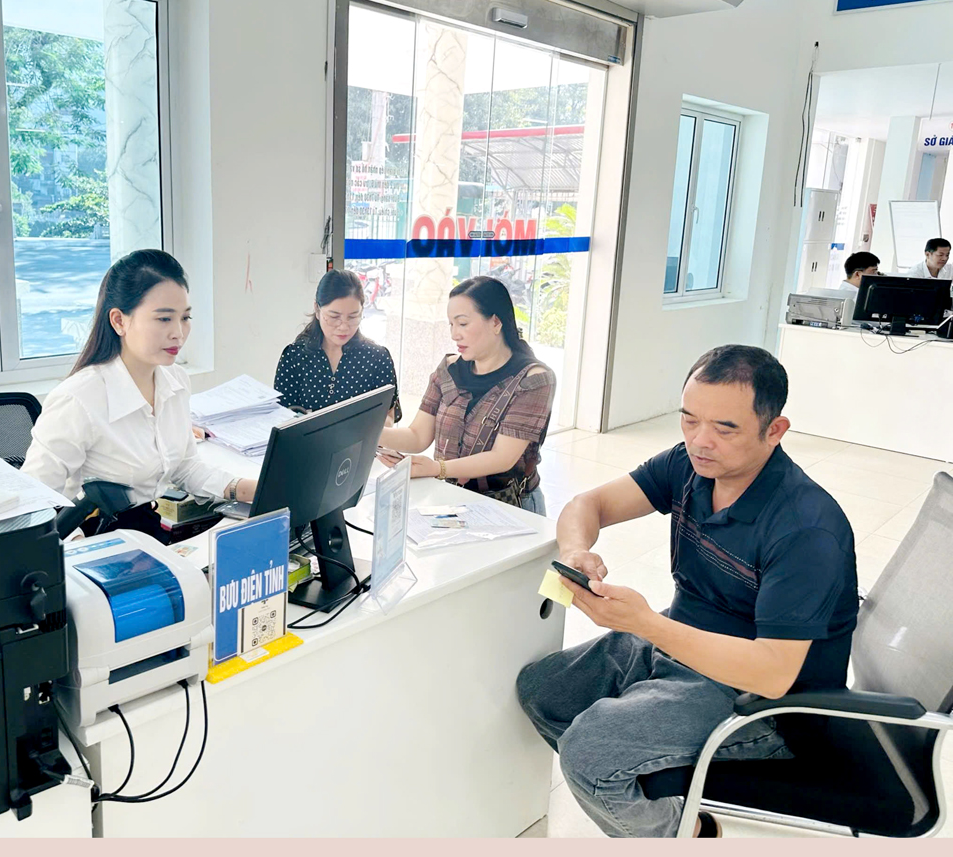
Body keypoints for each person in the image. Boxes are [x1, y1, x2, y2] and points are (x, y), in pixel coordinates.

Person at [515, 345, 858, 838]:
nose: (701, 441)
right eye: (689, 419)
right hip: (678, 643)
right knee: (543, 690)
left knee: (590, 753)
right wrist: (574, 551)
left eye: (725, 428)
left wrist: (645, 624)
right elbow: (589, 504)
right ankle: (671, 809)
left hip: (760, 703)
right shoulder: (690, 466)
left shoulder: (806, 529)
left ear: (775, 431)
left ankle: (681, 836)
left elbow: (774, 673)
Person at [23, 249, 257, 521]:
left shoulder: (175, 382)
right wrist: (76, 551)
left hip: (145, 529)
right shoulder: (78, 399)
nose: (178, 333)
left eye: (185, 318)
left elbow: (184, 467)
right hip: (90, 539)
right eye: (164, 318)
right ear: (119, 321)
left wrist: (246, 488)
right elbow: (34, 502)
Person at [377, 276, 555, 515]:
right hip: (451, 501)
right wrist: (368, 434)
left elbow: (502, 458)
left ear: (495, 322)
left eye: (462, 324)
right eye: (451, 324)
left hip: (510, 506)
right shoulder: (448, 369)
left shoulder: (533, 379)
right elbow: (418, 436)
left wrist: (437, 468)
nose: (454, 335)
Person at [273, 269, 401, 425]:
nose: (343, 327)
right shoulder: (294, 356)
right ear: (317, 309)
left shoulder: (377, 357)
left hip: (360, 447)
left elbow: (389, 416)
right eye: (334, 317)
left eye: (353, 317)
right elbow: (281, 417)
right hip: (306, 447)